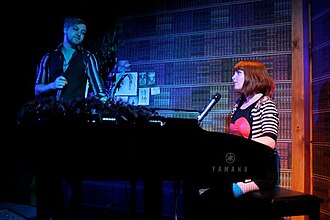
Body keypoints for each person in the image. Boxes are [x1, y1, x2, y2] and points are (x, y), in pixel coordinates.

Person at [183, 60, 280, 220]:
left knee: (217, 198)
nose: (233, 77)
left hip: (259, 173)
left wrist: (240, 148)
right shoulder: (239, 104)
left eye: (238, 73)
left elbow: (270, 141)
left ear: (252, 76)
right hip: (239, 168)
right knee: (192, 185)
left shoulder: (265, 104)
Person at [34, 16, 108, 220]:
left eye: (83, 32)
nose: (80, 35)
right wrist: (51, 85)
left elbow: (100, 90)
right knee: (47, 175)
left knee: (72, 176)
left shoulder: (87, 58)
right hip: (48, 123)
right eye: (76, 30)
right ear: (65, 29)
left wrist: (105, 105)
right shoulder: (49, 58)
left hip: (74, 124)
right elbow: (37, 88)